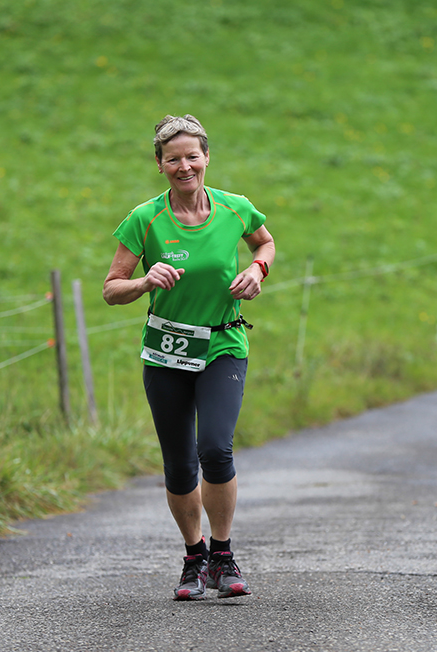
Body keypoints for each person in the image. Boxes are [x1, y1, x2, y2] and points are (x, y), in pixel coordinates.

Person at [103, 114, 275, 600]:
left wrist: (259, 270)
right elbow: (111, 289)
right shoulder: (145, 219)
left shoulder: (235, 208)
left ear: (206, 158)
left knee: (216, 448)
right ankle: (194, 556)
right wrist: (144, 281)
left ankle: (223, 554)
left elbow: (265, 241)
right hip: (167, 352)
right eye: (173, 158)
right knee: (180, 465)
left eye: (192, 156)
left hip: (223, 344)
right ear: (159, 165)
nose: (184, 166)